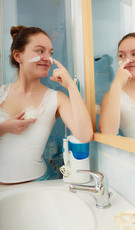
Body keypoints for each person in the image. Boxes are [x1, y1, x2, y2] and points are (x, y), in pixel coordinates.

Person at [0, 25, 93, 184]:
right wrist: (4, 128)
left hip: (39, 185)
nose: (47, 58)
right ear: (18, 56)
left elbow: (85, 135)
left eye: (51, 53)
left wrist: (70, 85)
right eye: (40, 51)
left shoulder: (56, 99)